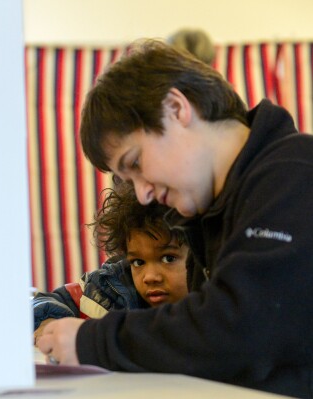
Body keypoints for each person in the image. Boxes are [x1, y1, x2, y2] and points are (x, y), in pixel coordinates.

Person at [36, 39, 313, 398]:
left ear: (176, 108)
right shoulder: (212, 213)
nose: (142, 194)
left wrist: (93, 342)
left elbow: (241, 329)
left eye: (135, 163)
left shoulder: (292, 175)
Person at [33, 183, 189, 344]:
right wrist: (49, 321)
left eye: (168, 258)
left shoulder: (214, 306)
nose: (149, 277)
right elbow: (44, 300)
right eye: (138, 262)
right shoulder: (110, 286)